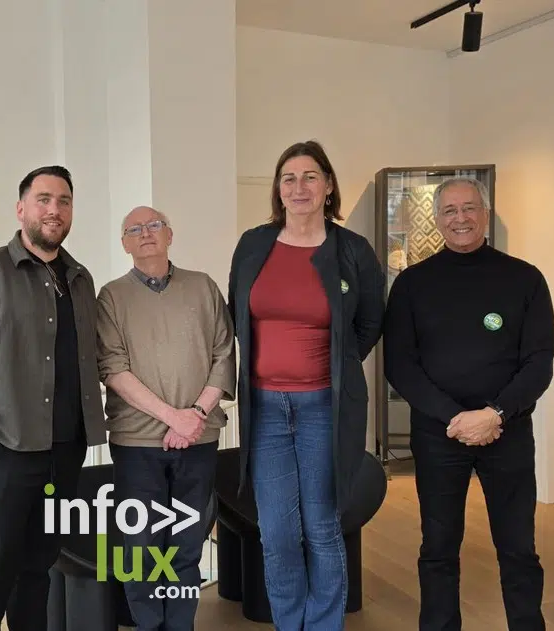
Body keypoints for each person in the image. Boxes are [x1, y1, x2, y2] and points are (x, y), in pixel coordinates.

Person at [0, 165, 107, 631]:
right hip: (4, 449)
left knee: (38, 570)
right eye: (43, 199)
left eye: (64, 201)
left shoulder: (80, 278)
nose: (55, 210)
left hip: (65, 451)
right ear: (21, 209)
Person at [382, 176, 554, 631]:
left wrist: (495, 414)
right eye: (450, 210)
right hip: (439, 434)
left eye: (469, 208)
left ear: (486, 214)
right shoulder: (412, 284)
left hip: (507, 432)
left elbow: (540, 362)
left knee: (518, 547)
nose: (460, 218)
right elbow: (400, 365)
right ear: (438, 219)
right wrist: (455, 418)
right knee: (438, 548)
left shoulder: (525, 278)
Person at [225, 140, 385, 630]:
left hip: (323, 408)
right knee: (275, 532)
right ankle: (289, 623)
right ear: (278, 189)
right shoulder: (253, 244)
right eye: (289, 178)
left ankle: (323, 625)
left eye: (310, 177)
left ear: (328, 186)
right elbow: (237, 315)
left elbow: (369, 323)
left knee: (321, 526)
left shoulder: (352, 250)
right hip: (264, 409)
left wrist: (333, 365)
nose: (299, 187)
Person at [96, 206, 235, 631]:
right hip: (137, 444)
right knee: (142, 548)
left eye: (154, 225)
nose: (145, 233)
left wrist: (196, 415)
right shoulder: (111, 297)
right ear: (124, 243)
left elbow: (224, 354)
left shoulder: (203, 287)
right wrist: (174, 417)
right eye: (134, 229)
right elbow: (112, 368)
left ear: (170, 234)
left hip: (198, 440)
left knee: (187, 546)